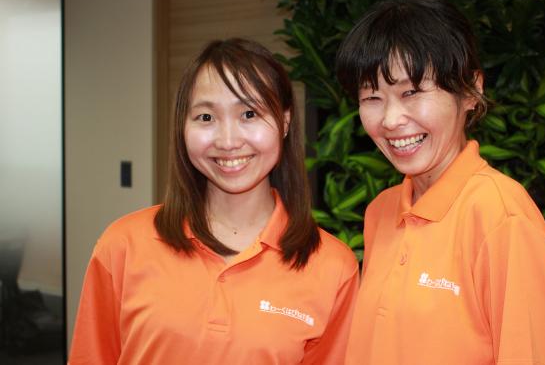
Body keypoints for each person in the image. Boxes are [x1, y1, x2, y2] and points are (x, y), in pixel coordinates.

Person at [68, 38, 359, 364]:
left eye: (249, 113)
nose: (228, 141)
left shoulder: (332, 267)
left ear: (285, 122)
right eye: (206, 117)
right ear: (183, 127)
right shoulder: (123, 245)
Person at [336, 0, 545, 364]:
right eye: (372, 98)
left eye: (411, 92)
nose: (391, 120)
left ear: (470, 90)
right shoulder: (381, 212)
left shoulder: (502, 217)